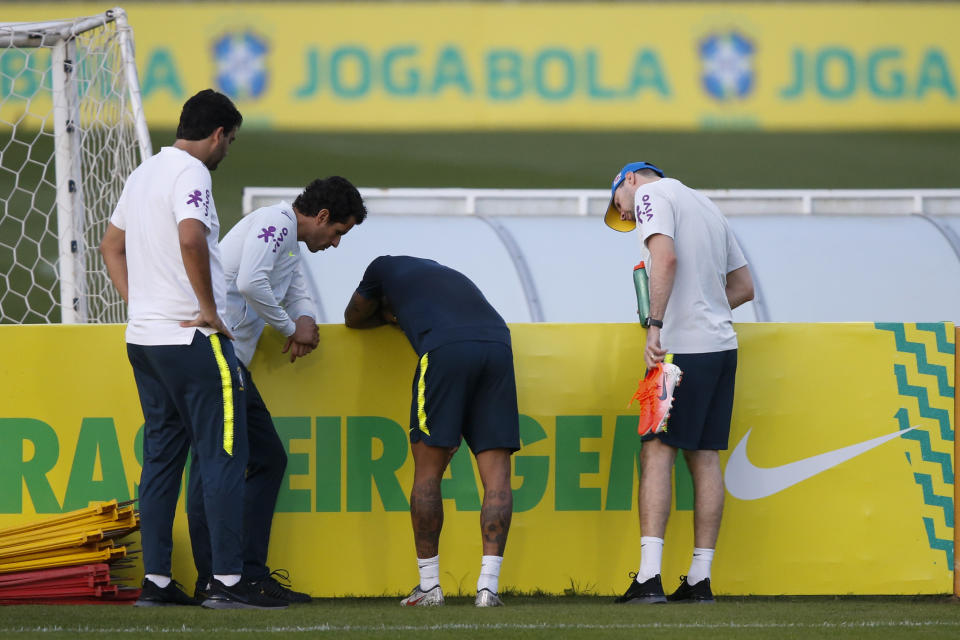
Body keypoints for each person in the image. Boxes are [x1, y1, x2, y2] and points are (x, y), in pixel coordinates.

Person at [99, 89, 286, 610]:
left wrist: (141, 304)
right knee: (225, 457)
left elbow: (110, 245)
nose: (227, 151)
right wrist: (209, 307)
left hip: (145, 339)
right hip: (191, 339)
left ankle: (156, 582)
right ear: (219, 134)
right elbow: (190, 238)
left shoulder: (143, 173)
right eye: (231, 141)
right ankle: (226, 582)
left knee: (160, 461)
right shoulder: (191, 173)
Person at [187, 176, 367, 604]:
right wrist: (290, 328)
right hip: (216, 360)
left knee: (243, 462)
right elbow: (252, 282)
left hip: (227, 365)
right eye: (339, 232)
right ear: (322, 217)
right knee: (227, 466)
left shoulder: (284, 237)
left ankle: (235, 574)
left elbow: (295, 290)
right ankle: (226, 577)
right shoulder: (276, 222)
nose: (336, 243)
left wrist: (304, 318)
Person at [603, 161, 755, 604]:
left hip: (678, 351)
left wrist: (656, 324)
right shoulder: (708, 205)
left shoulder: (652, 195)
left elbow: (664, 258)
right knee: (705, 456)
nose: (626, 216)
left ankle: (649, 577)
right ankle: (699, 580)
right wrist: (704, 306)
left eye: (619, 206)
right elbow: (744, 287)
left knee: (656, 451)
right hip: (721, 346)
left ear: (630, 179)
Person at [344, 256, 520, 608]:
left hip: (445, 348)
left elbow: (353, 318)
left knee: (428, 472)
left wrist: (389, 318)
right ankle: (488, 589)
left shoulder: (380, 268)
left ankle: (429, 587)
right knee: (498, 476)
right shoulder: (445, 274)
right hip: (498, 344)